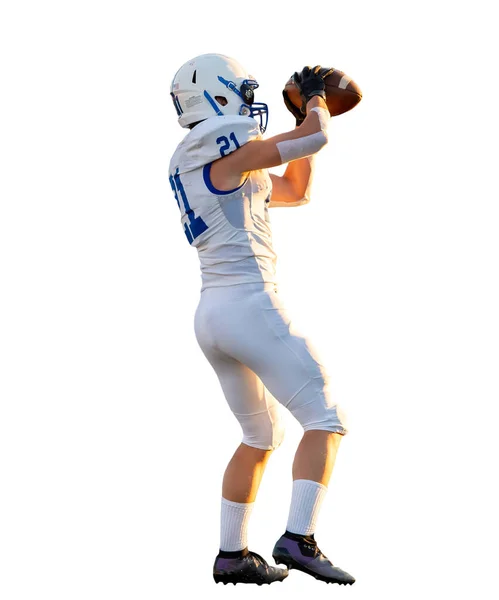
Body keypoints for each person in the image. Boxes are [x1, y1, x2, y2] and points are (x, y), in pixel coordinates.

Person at [168, 53, 355, 586]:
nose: (251, 100)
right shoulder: (218, 151)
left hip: (213, 315)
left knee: (260, 434)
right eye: (240, 90)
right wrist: (315, 101)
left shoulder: (219, 163)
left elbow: (297, 189)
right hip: (248, 302)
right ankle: (299, 538)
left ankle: (232, 554)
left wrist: (306, 121)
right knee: (326, 417)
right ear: (216, 95)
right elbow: (313, 138)